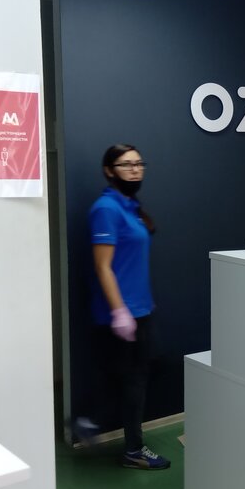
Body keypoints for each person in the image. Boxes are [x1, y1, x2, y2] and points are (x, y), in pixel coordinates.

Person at [81, 143, 170, 470]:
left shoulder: (130, 206)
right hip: (121, 314)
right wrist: (120, 312)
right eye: (126, 164)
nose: (135, 170)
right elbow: (103, 266)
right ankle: (132, 450)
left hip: (140, 309)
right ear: (109, 170)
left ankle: (90, 421)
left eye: (138, 164)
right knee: (134, 381)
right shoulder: (105, 209)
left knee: (136, 375)